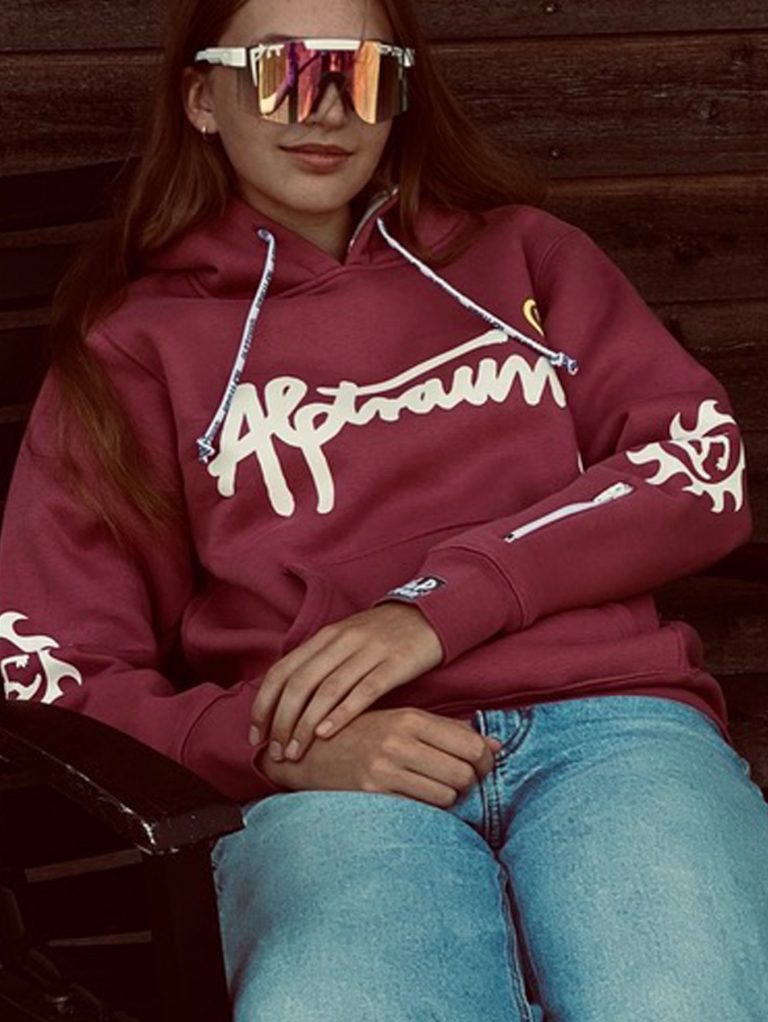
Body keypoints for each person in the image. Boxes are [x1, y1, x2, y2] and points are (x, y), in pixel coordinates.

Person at [1, 0, 766, 1018]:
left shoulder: (527, 257)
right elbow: (52, 669)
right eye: (280, 70)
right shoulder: (133, 348)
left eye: (360, 73)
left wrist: (438, 607)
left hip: (611, 728)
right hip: (332, 783)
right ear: (200, 97)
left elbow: (695, 464)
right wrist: (268, 746)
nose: (324, 108)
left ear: (399, 96)